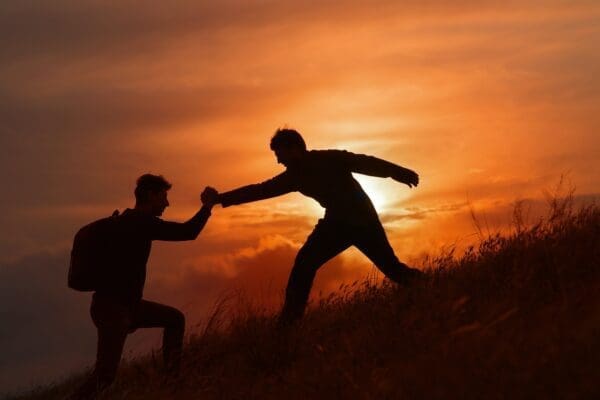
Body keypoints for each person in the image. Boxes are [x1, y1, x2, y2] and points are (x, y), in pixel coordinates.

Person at [203, 128, 422, 325]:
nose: (279, 161)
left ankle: (428, 284)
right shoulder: (293, 176)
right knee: (304, 264)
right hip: (336, 224)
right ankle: (289, 323)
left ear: (295, 149)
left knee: (392, 269)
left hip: (363, 221)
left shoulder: (330, 158)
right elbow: (261, 190)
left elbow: (364, 161)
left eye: (280, 154)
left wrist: (398, 172)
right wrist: (220, 198)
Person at [74, 174, 216, 399]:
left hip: (122, 306)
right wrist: (207, 207)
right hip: (114, 310)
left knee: (174, 319)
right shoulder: (141, 222)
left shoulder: (127, 221)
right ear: (150, 195)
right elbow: (188, 232)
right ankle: (171, 381)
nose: (167, 203)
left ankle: (171, 382)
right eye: (164, 197)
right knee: (105, 376)